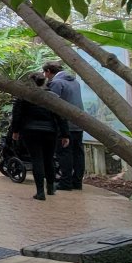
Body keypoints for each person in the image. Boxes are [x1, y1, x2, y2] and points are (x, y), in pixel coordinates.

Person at [10, 73, 69, 200]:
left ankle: (40, 192)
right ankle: (51, 187)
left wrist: (15, 131)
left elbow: (17, 114)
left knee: (37, 159)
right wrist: (65, 134)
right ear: (45, 82)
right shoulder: (53, 96)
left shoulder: (25, 96)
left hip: (30, 131)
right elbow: (61, 116)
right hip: (50, 131)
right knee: (49, 159)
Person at [43, 61, 85, 190]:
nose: (45, 75)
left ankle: (65, 182)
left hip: (65, 125)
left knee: (64, 153)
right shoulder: (74, 82)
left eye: (45, 72)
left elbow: (52, 103)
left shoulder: (57, 83)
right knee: (78, 153)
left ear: (49, 71)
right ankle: (77, 182)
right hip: (78, 123)